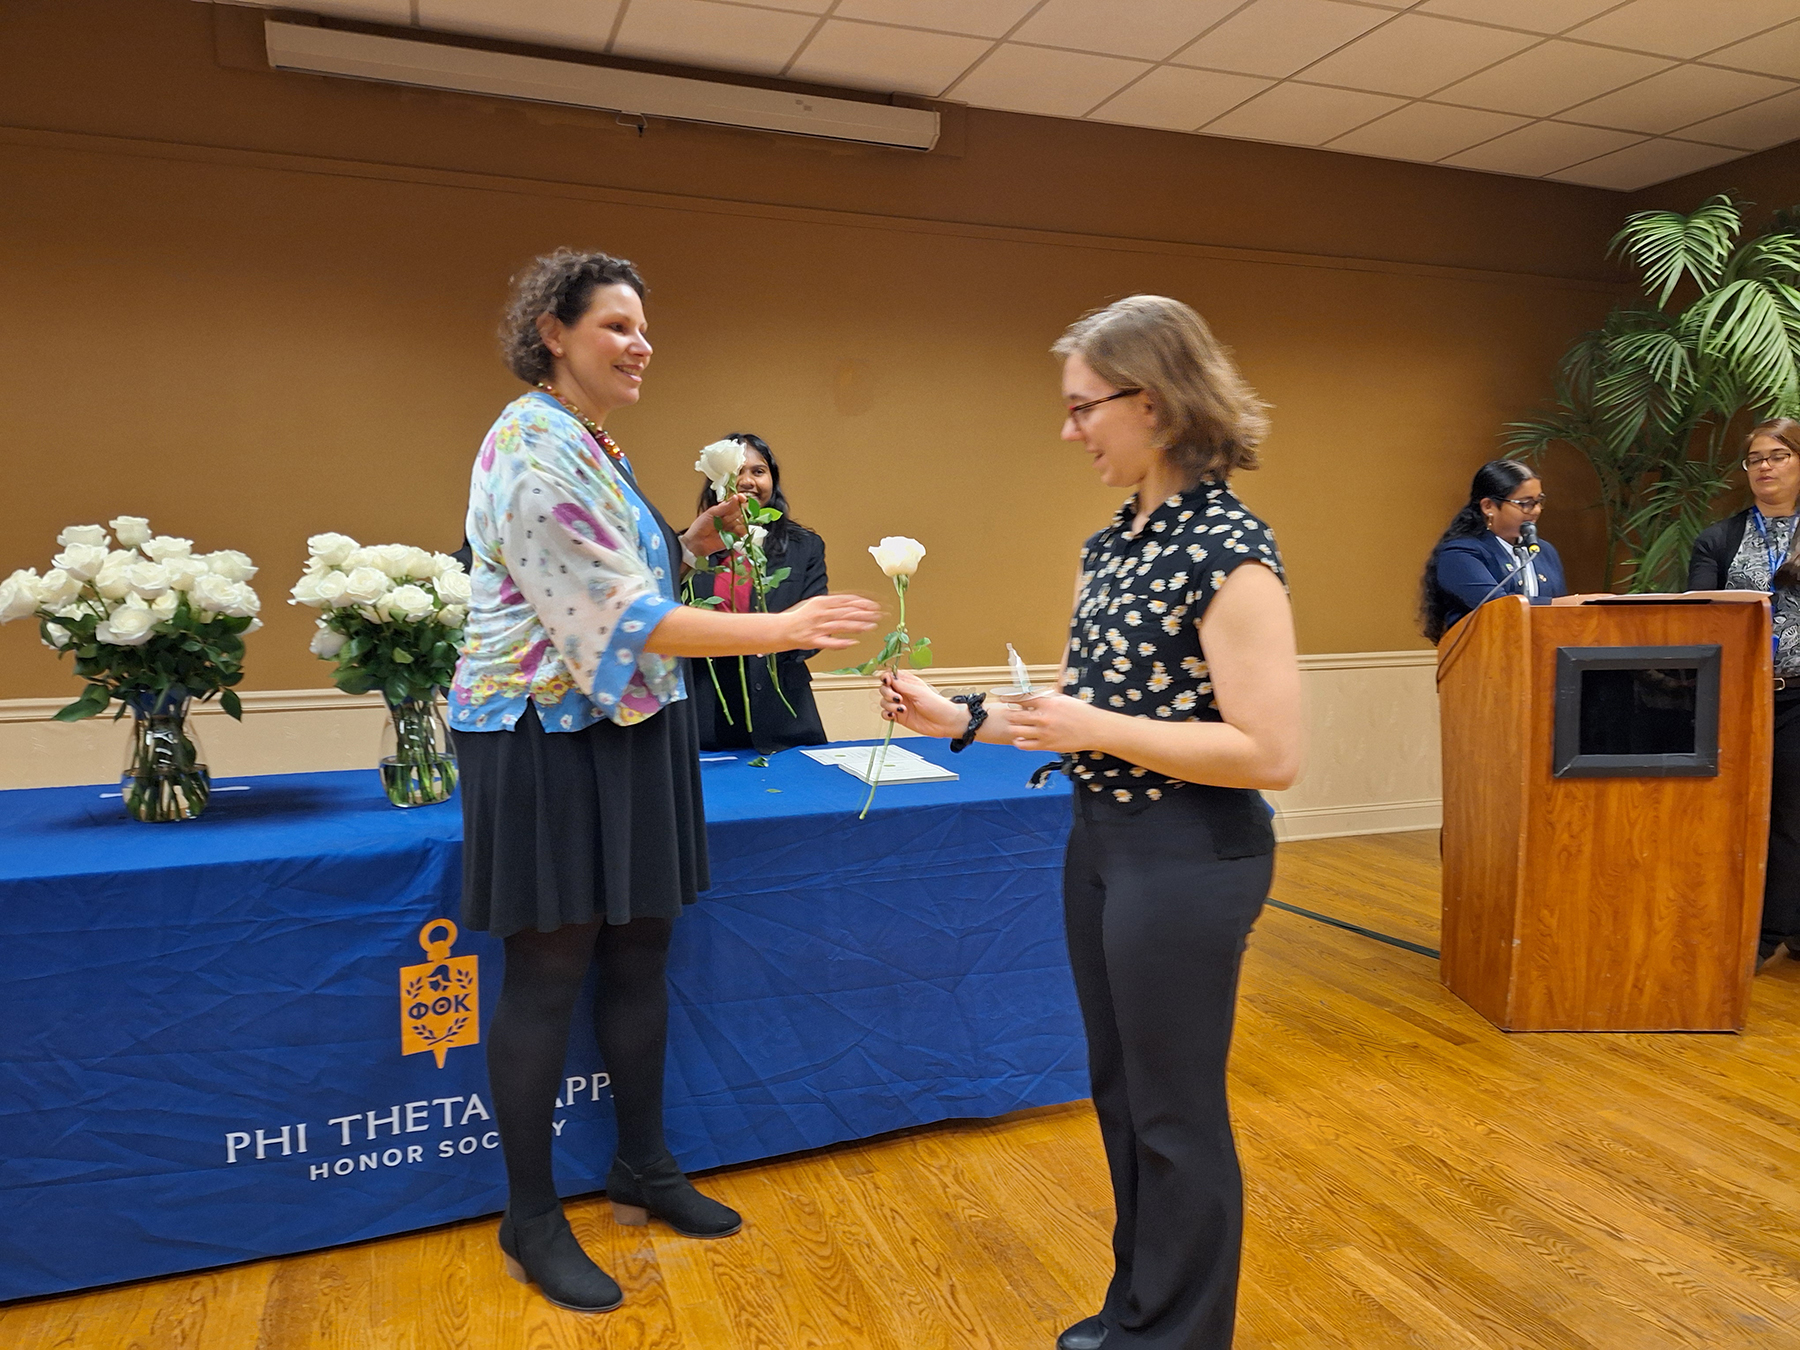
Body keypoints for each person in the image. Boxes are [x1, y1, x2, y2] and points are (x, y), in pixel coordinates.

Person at [448, 249, 878, 1313]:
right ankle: (531, 1217)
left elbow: (626, 577)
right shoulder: (533, 448)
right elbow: (615, 616)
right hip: (544, 735)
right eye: (618, 326)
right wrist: (778, 625)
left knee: (641, 947)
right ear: (553, 329)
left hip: (632, 723)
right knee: (550, 974)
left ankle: (642, 1165)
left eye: (646, 329)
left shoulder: (592, 440)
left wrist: (688, 540)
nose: (641, 345)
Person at [880, 295, 1301, 1350]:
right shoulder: (1112, 544)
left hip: (1191, 857)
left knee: (1175, 1115)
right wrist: (964, 720)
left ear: (1149, 402)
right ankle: (1139, 1311)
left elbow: (1271, 754)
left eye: (1082, 409)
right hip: (1105, 845)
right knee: (1121, 1099)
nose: (1070, 433)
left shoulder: (1233, 552)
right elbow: (1085, 710)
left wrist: (1093, 721)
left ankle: (1183, 1334)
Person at [1688, 417, 1800, 966]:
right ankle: (1752, 929)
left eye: (1777, 455)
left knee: (1791, 817)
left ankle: (1777, 931)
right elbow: (1699, 621)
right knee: (1743, 812)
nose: (1764, 467)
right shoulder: (1719, 537)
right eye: (1755, 459)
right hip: (1741, 696)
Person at [689, 433, 830, 752]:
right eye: (737, 471)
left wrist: (775, 640)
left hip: (785, 718)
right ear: (717, 479)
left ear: (772, 480)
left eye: (758, 471)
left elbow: (814, 620)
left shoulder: (804, 546)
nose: (747, 480)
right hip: (706, 719)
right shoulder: (687, 547)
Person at [1418, 459, 1566, 642]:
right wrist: (1570, 603)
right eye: (1525, 503)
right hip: (1484, 658)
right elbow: (1498, 608)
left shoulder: (1543, 551)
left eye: (1539, 501)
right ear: (1488, 506)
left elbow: (1559, 618)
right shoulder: (1459, 554)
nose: (1535, 510)